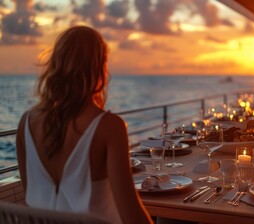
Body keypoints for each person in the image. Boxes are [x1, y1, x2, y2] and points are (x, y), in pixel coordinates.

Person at [15, 26, 153, 224]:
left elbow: (31, 201)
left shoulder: (26, 123)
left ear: (55, 65)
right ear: (99, 68)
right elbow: (132, 217)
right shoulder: (109, 127)